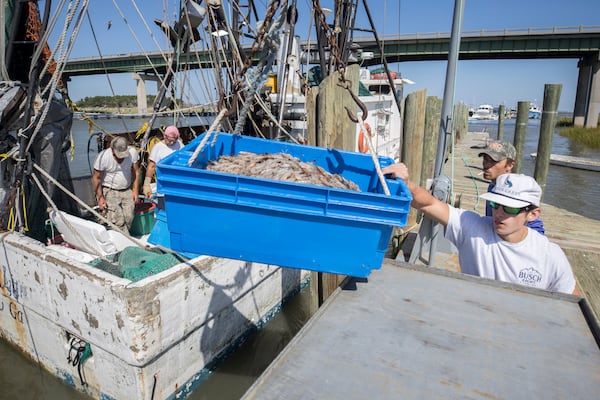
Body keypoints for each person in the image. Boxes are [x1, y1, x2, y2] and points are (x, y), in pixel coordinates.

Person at [381, 163, 579, 295]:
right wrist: (406, 184)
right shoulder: (472, 226)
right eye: (495, 205)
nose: (499, 214)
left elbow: (571, 305)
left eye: (510, 208)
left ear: (533, 214)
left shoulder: (550, 255)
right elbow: (428, 204)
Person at [479, 140, 545, 234]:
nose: (486, 164)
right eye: (485, 158)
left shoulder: (517, 191)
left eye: (493, 160)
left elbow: (535, 225)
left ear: (510, 165)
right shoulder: (492, 186)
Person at [92, 136, 140, 231]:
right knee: (118, 220)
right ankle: (124, 241)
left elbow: (136, 172)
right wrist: (100, 197)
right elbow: (96, 178)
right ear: (112, 150)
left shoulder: (132, 153)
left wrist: (135, 191)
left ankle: (122, 235)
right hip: (110, 190)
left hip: (126, 189)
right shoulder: (103, 157)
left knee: (129, 217)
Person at [142, 125, 183, 198]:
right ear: (165, 136)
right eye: (169, 140)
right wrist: (146, 184)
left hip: (177, 182)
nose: (171, 143)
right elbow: (151, 166)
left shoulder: (179, 144)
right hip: (163, 183)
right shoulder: (158, 147)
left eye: (174, 141)